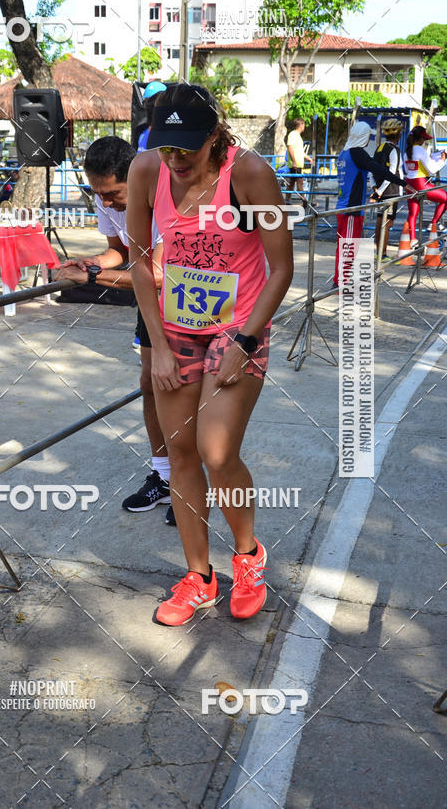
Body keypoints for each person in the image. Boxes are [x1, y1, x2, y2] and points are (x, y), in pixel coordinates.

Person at [127, 83, 293, 627]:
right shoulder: (146, 170)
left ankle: (247, 557)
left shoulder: (248, 173)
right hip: (175, 329)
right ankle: (199, 577)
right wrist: (155, 347)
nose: (175, 160)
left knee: (216, 451)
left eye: (188, 150)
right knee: (180, 456)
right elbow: (138, 259)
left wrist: (244, 342)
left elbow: (282, 268)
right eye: (166, 147)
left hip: (238, 325)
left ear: (215, 136)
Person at [52, 136, 174, 521]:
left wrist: (92, 276)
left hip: (190, 299)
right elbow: (119, 253)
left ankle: (192, 486)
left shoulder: (164, 199)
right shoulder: (109, 200)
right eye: (97, 194)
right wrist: (89, 261)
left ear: (134, 178)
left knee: (190, 389)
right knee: (151, 383)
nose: (105, 202)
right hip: (151, 303)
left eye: (112, 193)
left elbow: (157, 274)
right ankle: (166, 476)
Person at [333, 121, 414, 286]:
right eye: (368, 136)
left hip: (344, 207)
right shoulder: (357, 153)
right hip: (351, 209)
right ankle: (341, 281)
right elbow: (379, 169)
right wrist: (404, 183)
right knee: (348, 247)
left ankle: (341, 279)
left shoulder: (344, 152)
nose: (368, 140)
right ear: (362, 136)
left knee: (346, 246)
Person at [403, 125, 447, 245]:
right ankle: (434, 223)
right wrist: (442, 159)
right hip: (420, 183)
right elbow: (431, 169)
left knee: (412, 213)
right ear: (420, 138)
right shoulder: (420, 150)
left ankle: (412, 239)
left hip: (409, 183)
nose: (425, 141)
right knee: (445, 198)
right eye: (424, 139)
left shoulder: (407, 151)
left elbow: (409, 170)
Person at [370, 118, 404, 259]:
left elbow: (371, 169)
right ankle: (382, 254)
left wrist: (375, 188)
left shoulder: (379, 148)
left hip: (380, 189)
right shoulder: (394, 149)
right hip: (391, 191)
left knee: (380, 221)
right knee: (387, 223)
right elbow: (392, 173)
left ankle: (378, 252)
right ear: (399, 134)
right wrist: (381, 191)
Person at [286, 118, 312, 206]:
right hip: (295, 163)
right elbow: (290, 148)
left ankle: (287, 200)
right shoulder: (293, 134)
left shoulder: (297, 136)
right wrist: (294, 161)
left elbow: (299, 150)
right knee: (299, 181)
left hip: (298, 163)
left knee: (292, 182)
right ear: (301, 125)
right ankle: (304, 201)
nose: (304, 126)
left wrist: (308, 157)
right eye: (303, 124)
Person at [137, 81, 167, 153]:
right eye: (146, 102)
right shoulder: (141, 133)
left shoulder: (169, 135)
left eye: (153, 102)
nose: (149, 106)